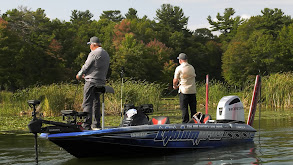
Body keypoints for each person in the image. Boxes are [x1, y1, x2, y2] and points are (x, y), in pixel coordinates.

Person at [76, 36, 110, 130]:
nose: (90, 46)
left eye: (90, 44)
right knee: (96, 102)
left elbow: (86, 66)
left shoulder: (94, 53)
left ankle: (86, 125)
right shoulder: (106, 54)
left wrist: (79, 75)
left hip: (91, 81)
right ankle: (96, 124)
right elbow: (97, 68)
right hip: (101, 81)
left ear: (94, 44)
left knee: (87, 103)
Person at [173, 53, 197, 123]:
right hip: (192, 91)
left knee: (184, 108)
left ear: (180, 60)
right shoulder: (192, 67)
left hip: (184, 91)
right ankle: (195, 122)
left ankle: (185, 123)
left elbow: (175, 80)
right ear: (186, 60)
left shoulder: (179, 68)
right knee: (193, 109)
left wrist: (174, 86)